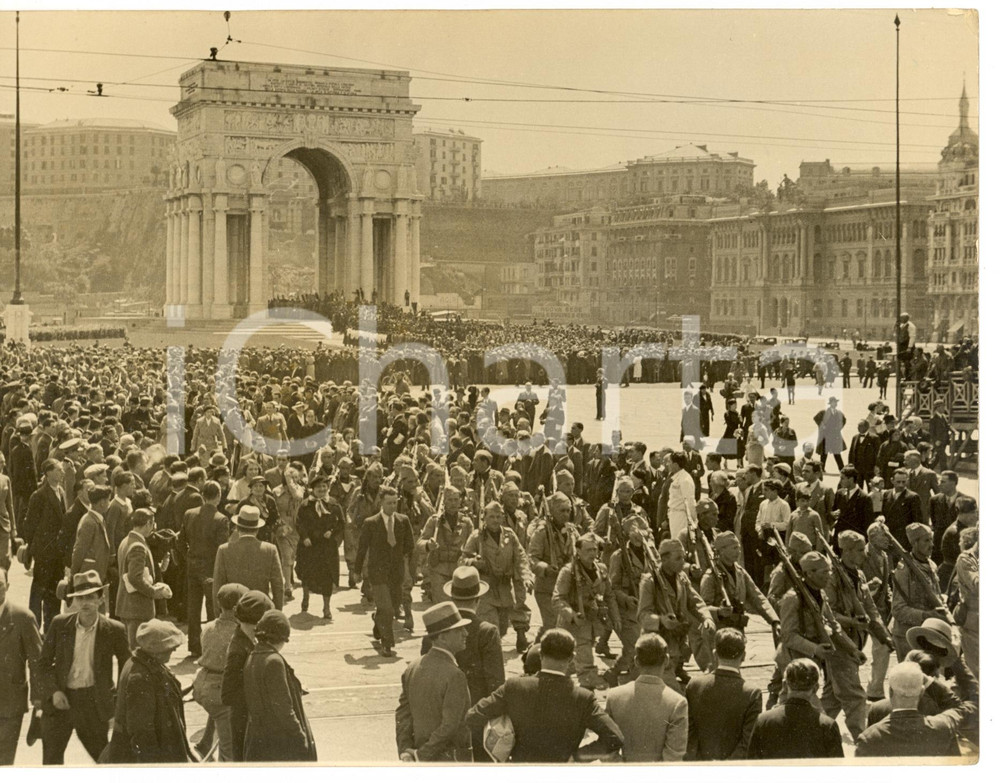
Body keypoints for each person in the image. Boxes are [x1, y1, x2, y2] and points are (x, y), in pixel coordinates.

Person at [466, 627, 624, 763]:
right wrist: (578, 757)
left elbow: (473, 716)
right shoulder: (583, 698)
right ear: (572, 659)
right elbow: (614, 737)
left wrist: (498, 749)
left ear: (540, 655)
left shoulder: (514, 686)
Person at [37, 570, 130, 764]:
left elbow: (126, 668)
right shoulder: (60, 624)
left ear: (101, 599)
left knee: (104, 761)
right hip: (61, 701)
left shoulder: (114, 630)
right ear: (74, 601)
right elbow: (43, 664)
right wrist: (53, 691)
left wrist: (116, 701)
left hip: (93, 704)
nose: (85, 603)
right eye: (80, 598)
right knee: (50, 764)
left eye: (90, 597)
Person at [419, 566, 504, 761]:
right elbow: (496, 684)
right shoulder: (487, 631)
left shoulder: (432, 634)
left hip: (439, 721)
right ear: (478, 600)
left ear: (452, 598)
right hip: (476, 720)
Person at [102, 618, 192, 764]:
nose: (174, 650)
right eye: (170, 647)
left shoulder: (144, 662)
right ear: (157, 651)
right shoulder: (139, 677)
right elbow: (141, 731)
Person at [396, 601, 473, 762]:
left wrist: (405, 752)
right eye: (459, 630)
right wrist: (421, 756)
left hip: (418, 757)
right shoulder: (454, 675)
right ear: (443, 637)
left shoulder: (412, 668)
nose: (466, 633)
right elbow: (450, 726)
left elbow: (403, 716)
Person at [638, 538, 715, 686]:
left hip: (678, 642)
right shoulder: (650, 581)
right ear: (664, 559)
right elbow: (642, 616)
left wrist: (707, 618)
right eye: (678, 558)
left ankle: (677, 669)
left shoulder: (681, 577)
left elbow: (695, 601)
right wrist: (661, 620)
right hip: (658, 645)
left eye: (683, 557)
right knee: (677, 695)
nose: (683, 562)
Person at [855, 661, 972, 757]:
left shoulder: (868, 739)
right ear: (921, 692)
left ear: (890, 692)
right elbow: (961, 708)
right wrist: (929, 681)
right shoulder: (943, 728)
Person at [243, 609, 316, 761]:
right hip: (278, 742)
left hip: (259, 738)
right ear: (282, 637)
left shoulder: (253, 655)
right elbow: (284, 708)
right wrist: (300, 736)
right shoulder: (274, 661)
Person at [462, 501, 533, 652]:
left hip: (505, 588)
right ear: (484, 518)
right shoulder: (477, 536)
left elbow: (521, 557)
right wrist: (474, 562)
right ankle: (491, 656)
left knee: (502, 627)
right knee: (491, 626)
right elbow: (462, 561)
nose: (495, 520)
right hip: (486, 588)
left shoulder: (509, 535)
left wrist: (526, 576)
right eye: (491, 517)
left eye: (498, 516)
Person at [605, 633, 688, 762]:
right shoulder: (677, 702)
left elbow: (607, 750)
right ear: (666, 660)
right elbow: (674, 756)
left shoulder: (614, 696)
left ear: (636, 661)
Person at [685, 628, 762, 760]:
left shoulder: (694, 686)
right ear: (743, 656)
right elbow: (747, 742)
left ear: (714, 654)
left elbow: (689, 735)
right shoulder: (752, 693)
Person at [355, 485, 414, 657]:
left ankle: (377, 621)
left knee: (393, 607)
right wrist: (357, 571)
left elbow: (409, 546)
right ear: (381, 503)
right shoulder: (371, 523)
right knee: (387, 609)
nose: (392, 506)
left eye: (395, 503)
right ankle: (387, 644)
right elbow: (362, 549)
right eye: (389, 503)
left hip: (396, 573)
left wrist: (404, 564)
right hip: (377, 573)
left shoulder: (403, 521)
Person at [191, 582, 247, 762]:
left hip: (202, 685)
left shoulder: (208, 627)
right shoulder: (237, 634)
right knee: (229, 747)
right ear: (237, 607)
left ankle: (205, 743)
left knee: (216, 710)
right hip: (219, 690)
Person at [747, 658, 843, 759]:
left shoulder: (763, 720)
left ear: (784, 685)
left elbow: (751, 763)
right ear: (816, 688)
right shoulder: (827, 725)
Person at [553, 532, 612, 690]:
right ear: (578, 551)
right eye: (588, 550)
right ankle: (587, 690)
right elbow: (558, 599)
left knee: (570, 662)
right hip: (572, 624)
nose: (593, 554)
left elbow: (609, 595)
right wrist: (571, 615)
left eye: (594, 550)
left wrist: (615, 618)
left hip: (591, 620)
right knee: (584, 662)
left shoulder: (601, 569)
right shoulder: (568, 571)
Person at [221, 590, 273, 762]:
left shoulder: (248, 639)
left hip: (250, 719)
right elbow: (228, 694)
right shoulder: (238, 649)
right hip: (244, 721)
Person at [179, 480, 229, 658]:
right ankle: (210, 644)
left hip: (193, 565)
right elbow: (222, 547)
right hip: (211, 567)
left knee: (193, 606)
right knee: (212, 607)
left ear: (202, 495)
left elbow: (180, 541)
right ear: (218, 496)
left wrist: (189, 556)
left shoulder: (189, 514)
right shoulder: (221, 519)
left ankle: (194, 646)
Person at [0, 567, 43, 765]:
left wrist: (39, 700)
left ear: (7, 586)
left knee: (5, 762)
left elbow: (37, 662)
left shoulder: (23, 618)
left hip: (9, 704)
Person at [115, 508, 172, 650]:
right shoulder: (138, 546)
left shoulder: (126, 541)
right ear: (147, 523)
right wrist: (154, 591)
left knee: (131, 650)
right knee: (138, 651)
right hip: (138, 608)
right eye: (152, 524)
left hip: (127, 606)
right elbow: (135, 577)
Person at [890, 522, 948, 659]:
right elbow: (898, 609)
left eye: (932, 539)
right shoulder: (904, 570)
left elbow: (936, 595)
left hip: (927, 633)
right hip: (906, 636)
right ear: (914, 543)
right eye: (926, 540)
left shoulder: (931, 565)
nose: (932, 545)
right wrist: (927, 615)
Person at [212, 506, 284, 610]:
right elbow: (278, 586)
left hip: (233, 612)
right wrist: (275, 613)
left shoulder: (224, 550)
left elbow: (217, 587)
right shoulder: (270, 550)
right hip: (260, 610)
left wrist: (220, 616)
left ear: (237, 527)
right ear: (257, 529)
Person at [24, 459, 67, 632]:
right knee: (39, 592)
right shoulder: (39, 495)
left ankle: (50, 629)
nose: (62, 473)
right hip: (44, 552)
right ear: (48, 473)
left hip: (57, 553)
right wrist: (36, 548)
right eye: (58, 470)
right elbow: (29, 525)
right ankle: (33, 628)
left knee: (53, 593)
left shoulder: (61, 492)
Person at [528, 491, 579, 635]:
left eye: (568, 510)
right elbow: (532, 558)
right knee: (553, 625)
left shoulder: (572, 531)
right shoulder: (542, 531)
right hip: (546, 588)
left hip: (566, 588)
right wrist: (546, 568)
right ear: (552, 511)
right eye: (561, 510)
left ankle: (534, 652)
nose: (565, 514)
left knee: (560, 627)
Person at [295, 475, 345, 619]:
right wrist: (304, 537)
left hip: (327, 547)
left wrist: (333, 532)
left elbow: (341, 523)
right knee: (307, 573)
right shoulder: (305, 505)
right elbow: (299, 523)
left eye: (324, 487)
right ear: (313, 489)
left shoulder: (334, 504)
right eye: (318, 487)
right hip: (310, 546)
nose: (322, 489)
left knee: (327, 577)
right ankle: (305, 598)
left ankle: (326, 608)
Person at [814, 397, 846, 473]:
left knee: (837, 453)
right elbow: (816, 418)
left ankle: (842, 469)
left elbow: (844, 420)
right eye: (833, 402)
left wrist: (839, 428)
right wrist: (822, 425)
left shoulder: (839, 413)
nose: (835, 404)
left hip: (835, 436)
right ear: (830, 403)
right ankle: (821, 469)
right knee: (824, 454)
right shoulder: (824, 412)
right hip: (825, 436)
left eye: (836, 402)